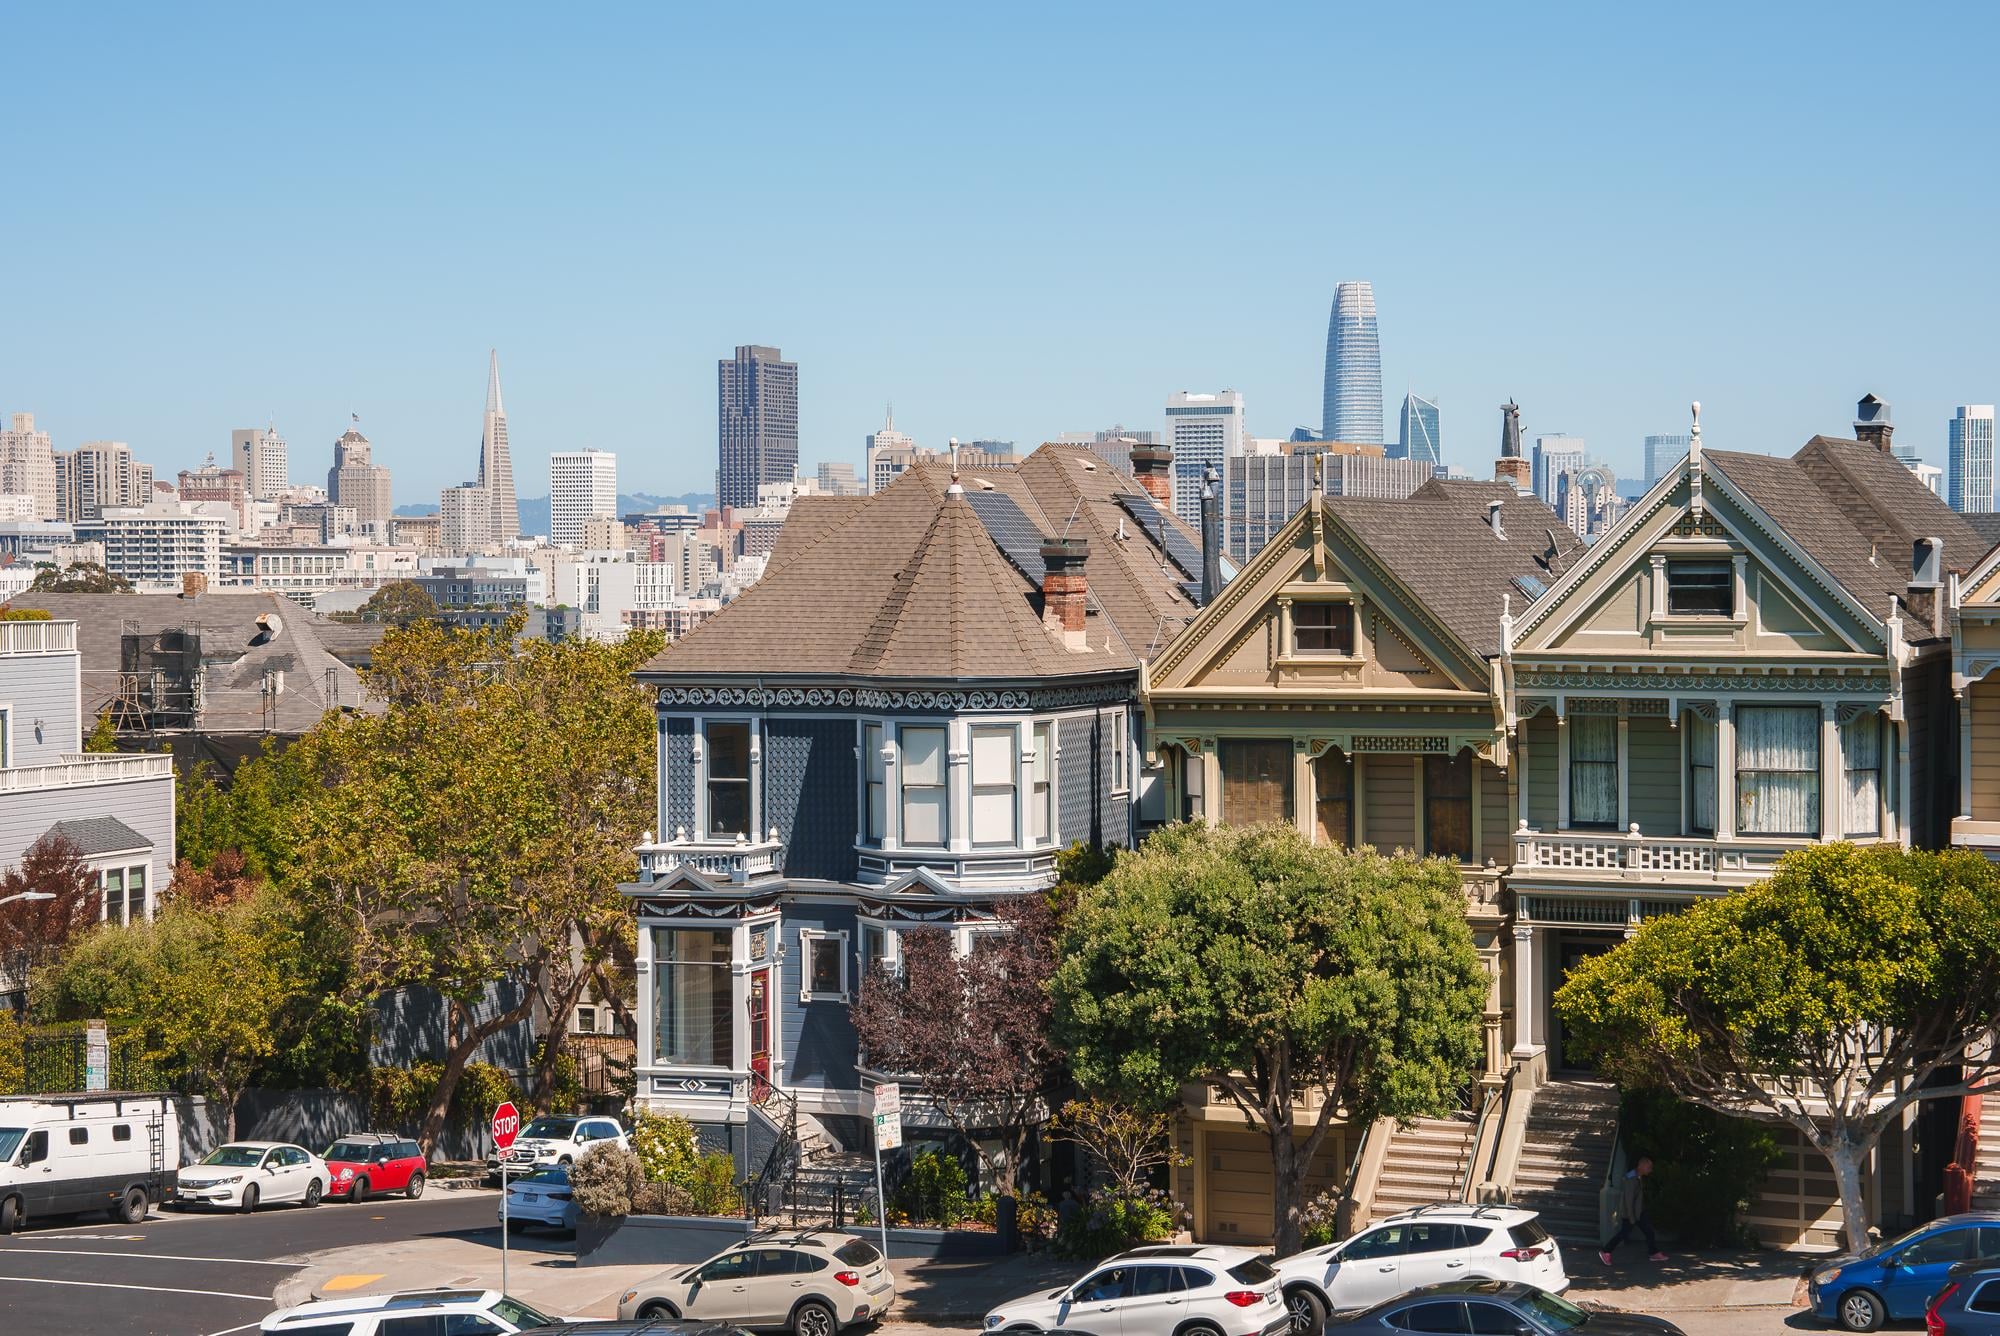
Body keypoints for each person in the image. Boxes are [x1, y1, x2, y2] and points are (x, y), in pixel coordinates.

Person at [1599, 1155, 1666, 1264]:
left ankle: (1653, 1253)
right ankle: (1606, 1251)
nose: (1650, 1170)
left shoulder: (1637, 1176)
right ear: (1641, 1166)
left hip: (1638, 1212)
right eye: (1648, 1167)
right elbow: (1628, 1200)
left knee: (1648, 1232)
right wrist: (1631, 1217)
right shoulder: (1631, 1178)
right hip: (1632, 1213)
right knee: (1624, 1233)